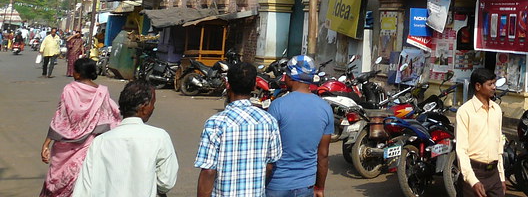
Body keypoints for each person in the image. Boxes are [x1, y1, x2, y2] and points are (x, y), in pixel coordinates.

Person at [72, 80, 177, 197]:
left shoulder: (100, 142)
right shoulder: (159, 137)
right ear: (144, 107)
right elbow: (166, 182)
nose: (153, 108)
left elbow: (84, 187)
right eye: (152, 103)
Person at [195, 61, 282, 197]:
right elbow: (270, 165)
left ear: (228, 85)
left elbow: (208, 171)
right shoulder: (268, 121)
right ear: (254, 86)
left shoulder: (215, 123)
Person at [40, 57, 121, 197]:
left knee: (59, 180)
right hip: (91, 145)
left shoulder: (69, 89)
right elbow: (110, 117)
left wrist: (47, 143)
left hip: (65, 146)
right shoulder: (102, 92)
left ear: (77, 73)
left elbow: (60, 118)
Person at [265, 55, 333, 197]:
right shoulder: (325, 108)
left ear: (290, 78)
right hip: (306, 185)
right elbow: (323, 155)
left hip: (277, 184)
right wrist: (320, 187)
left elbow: (267, 153)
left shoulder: (277, 106)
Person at [455, 67, 505, 197]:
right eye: (490, 84)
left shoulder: (497, 110)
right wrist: (473, 181)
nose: (494, 87)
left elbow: (499, 145)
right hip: (474, 172)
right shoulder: (465, 112)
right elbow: (461, 150)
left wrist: (502, 177)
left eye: (494, 83)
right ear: (478, 86)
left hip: (494, 175)